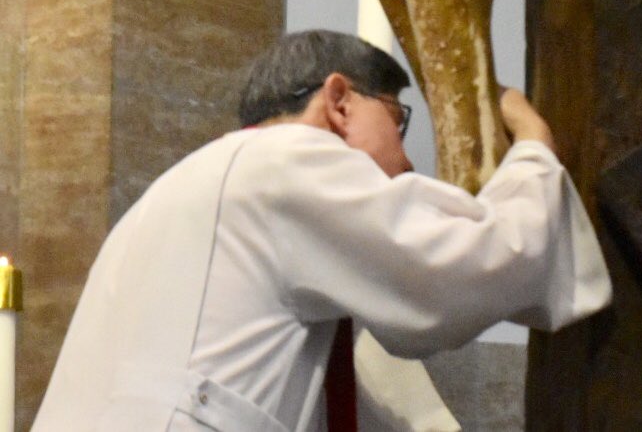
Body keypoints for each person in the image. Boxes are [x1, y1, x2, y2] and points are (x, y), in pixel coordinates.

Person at [32, 29, 611, 431]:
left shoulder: (186, 190)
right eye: (397, 119)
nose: (408, 161)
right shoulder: (291, 160)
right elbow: (463, 267)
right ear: (338, 101)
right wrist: (534, 147)